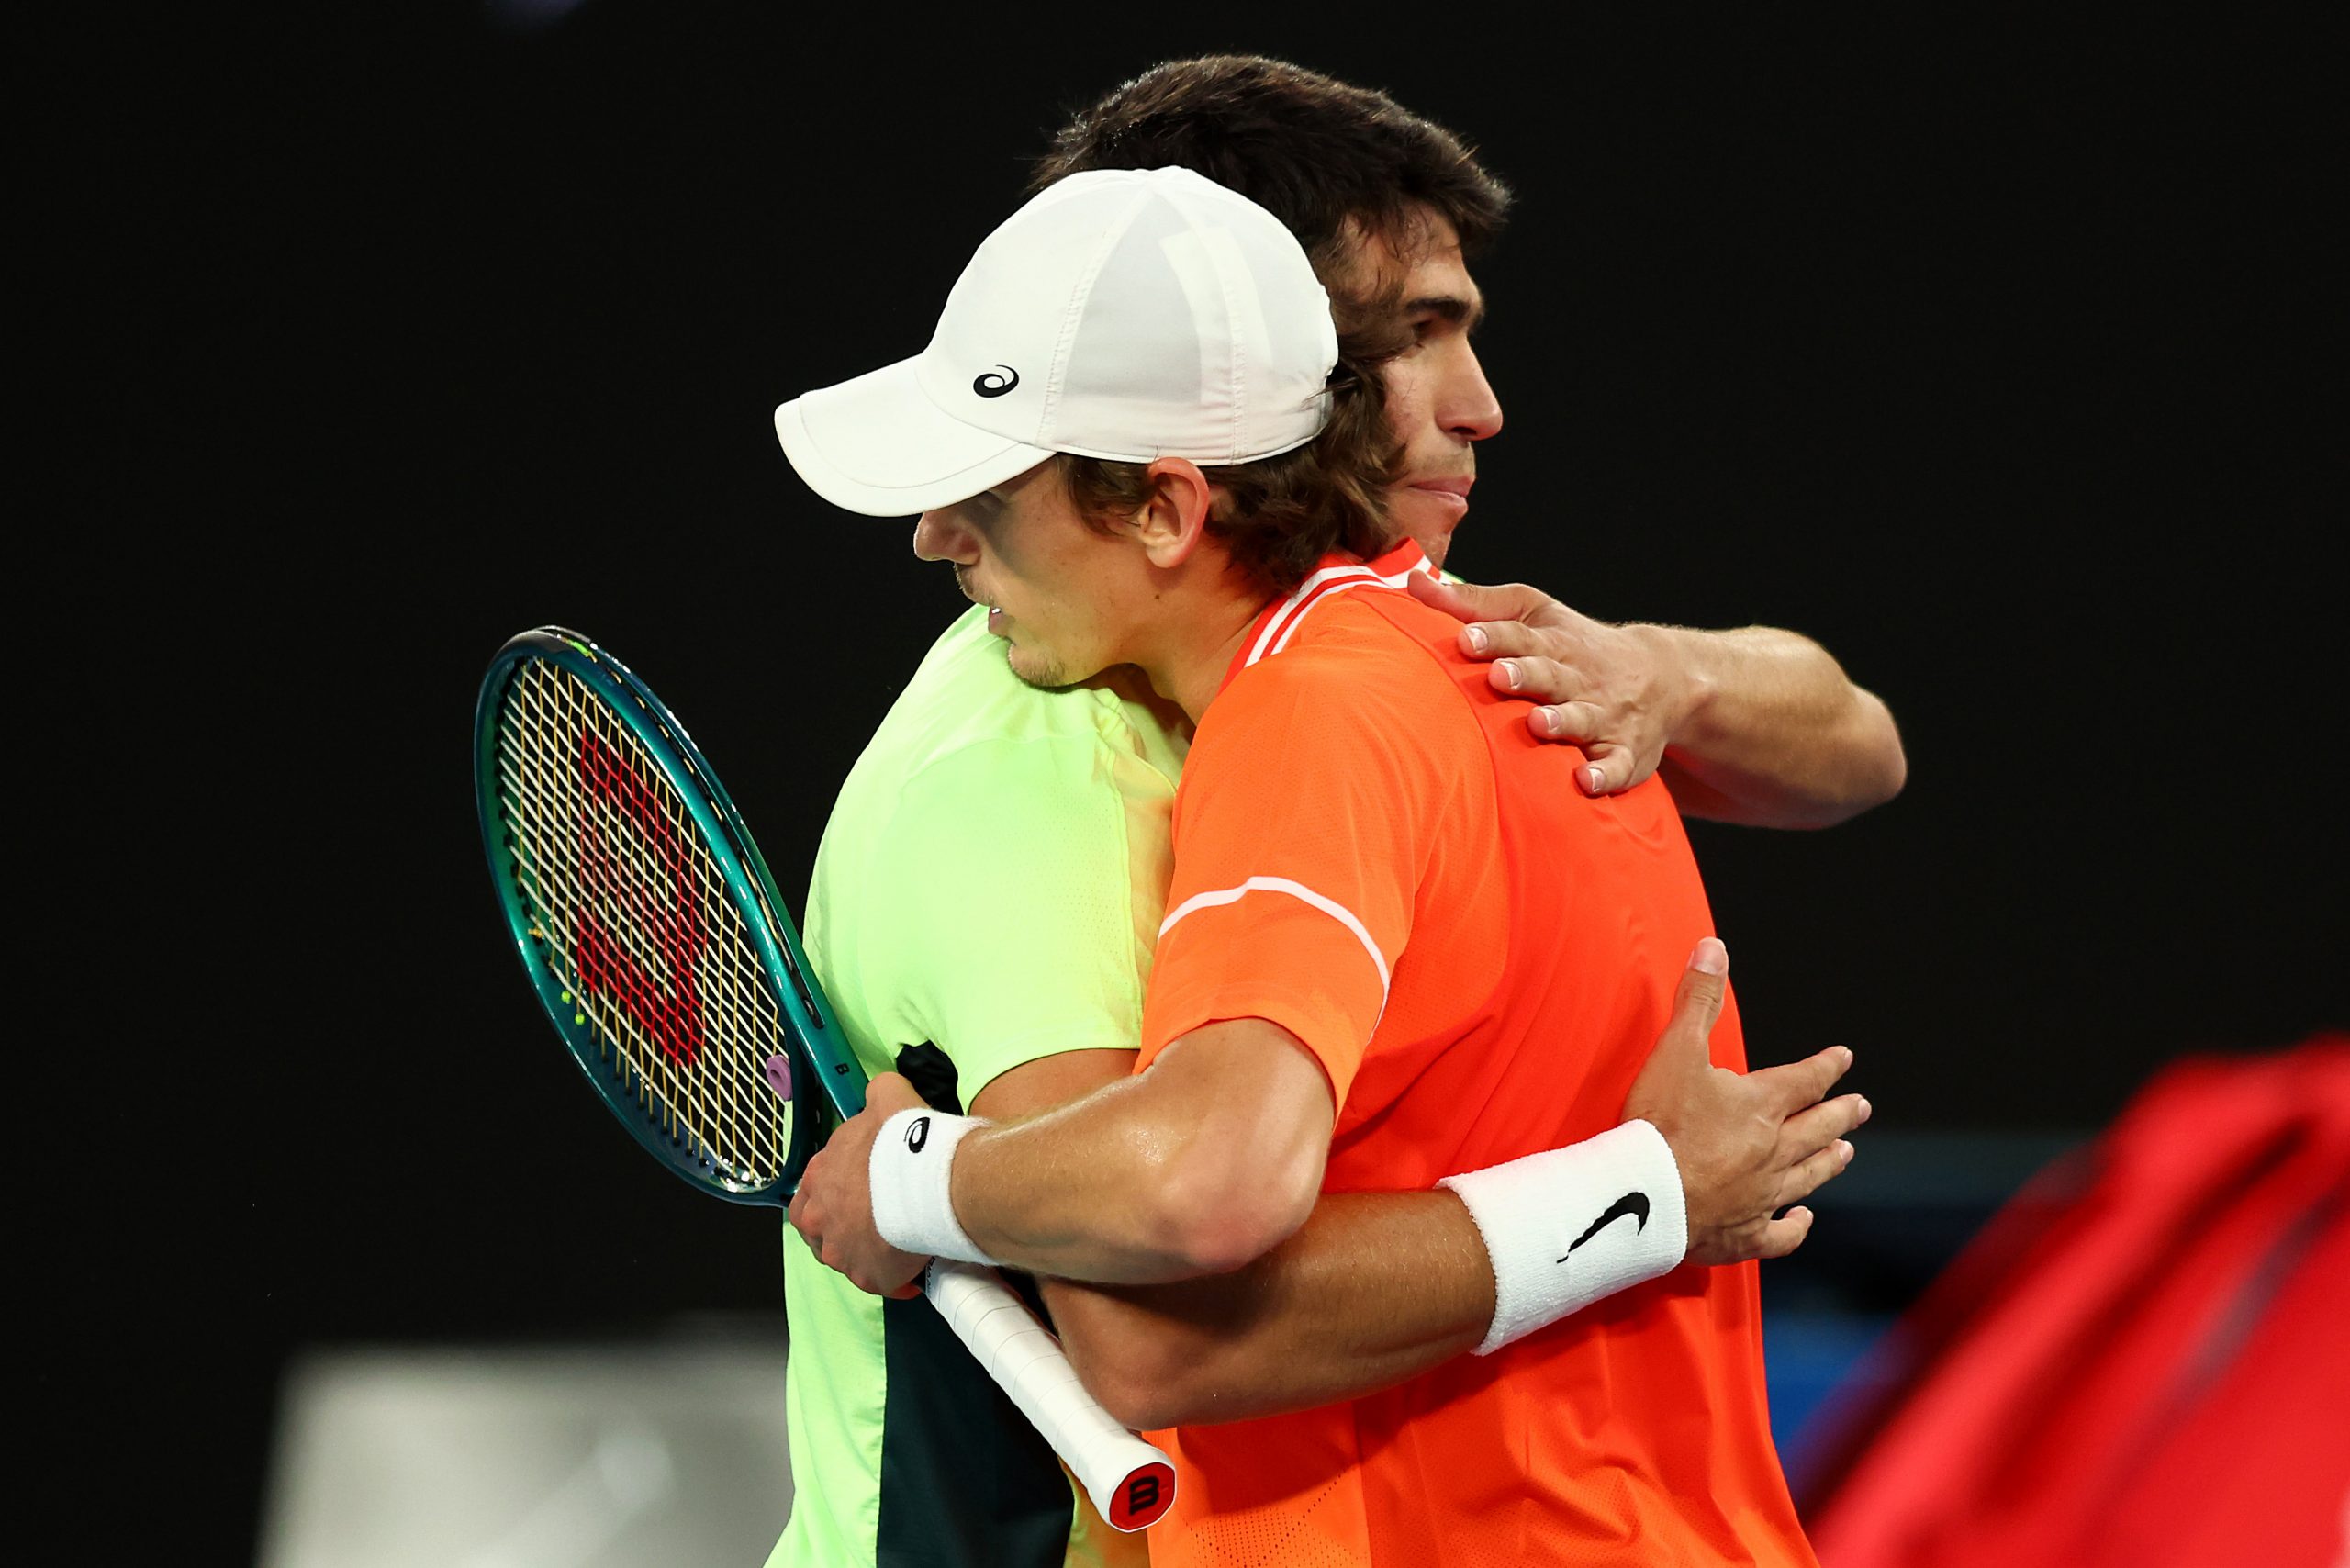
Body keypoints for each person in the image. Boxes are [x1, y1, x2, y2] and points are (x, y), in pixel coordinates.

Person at [767, 58, 1899, 1567]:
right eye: (1416, 339)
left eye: (1001, 480)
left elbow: (1175, 1290)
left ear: (1173, 493)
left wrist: (913, 1180)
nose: (932, 533)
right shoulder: (1450, 663)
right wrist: (1645, 1192)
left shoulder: (1353, 695)